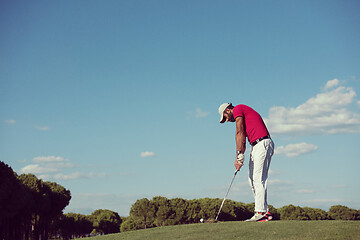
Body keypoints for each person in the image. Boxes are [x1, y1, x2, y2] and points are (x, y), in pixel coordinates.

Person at [218, 103, 274, 222]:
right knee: (252, 180)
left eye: (225, 117)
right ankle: (264, 211)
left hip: (262, 143)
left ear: (228, 109)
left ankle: (261, 212)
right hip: (255, 145)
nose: (227, 120)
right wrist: (239, 156)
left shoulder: (238, 108)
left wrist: (239, 155)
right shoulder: (240, 112)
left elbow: (240, 132)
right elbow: (241, 135)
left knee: (258, 178)